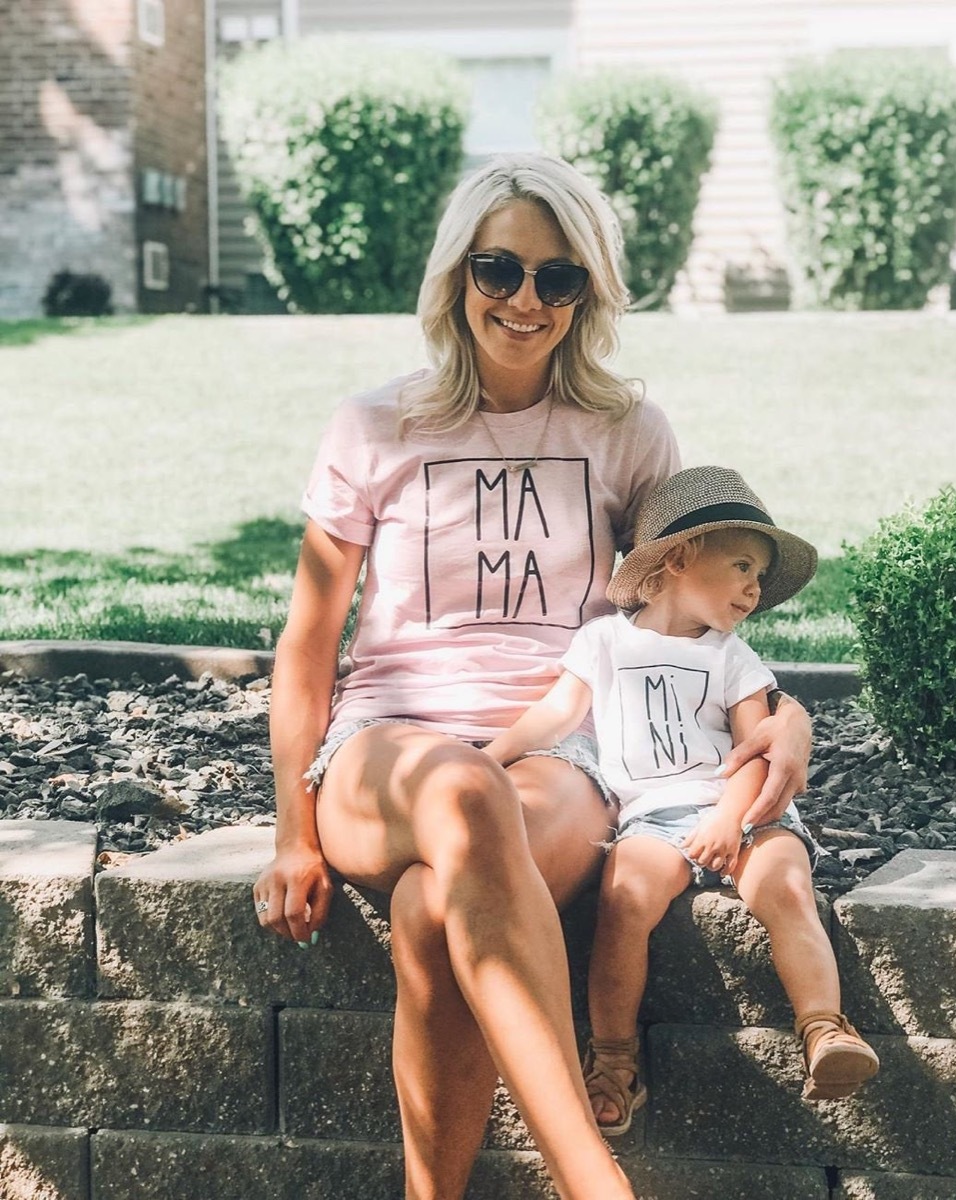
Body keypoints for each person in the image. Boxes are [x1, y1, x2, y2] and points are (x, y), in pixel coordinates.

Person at [251, 152, 813, 1200]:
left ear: (587, 292)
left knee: (432, 913)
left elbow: (687, 605)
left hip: (561, 748)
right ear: (457, 274)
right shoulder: (374, 426)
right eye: (500, 270)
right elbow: (308, 642)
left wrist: (783, 712)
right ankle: (594, 1180)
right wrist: (292, 828)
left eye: (558, 279)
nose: (524, 300)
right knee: (461, 792)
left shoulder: (627, 432)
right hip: (385, 751)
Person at [485, 465, 880, 1137]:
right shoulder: (606, 640)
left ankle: (824, 1027)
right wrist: (487, 762)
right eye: (743, 567)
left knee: (784, 886)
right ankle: (614, 1062)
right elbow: (556, 714)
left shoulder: (733, 658)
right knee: (624, 900)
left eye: (760, 575)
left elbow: (758, 751)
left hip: (747, 809)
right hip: (654, 819)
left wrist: (732, 819)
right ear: (677, 559)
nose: (756, 589)